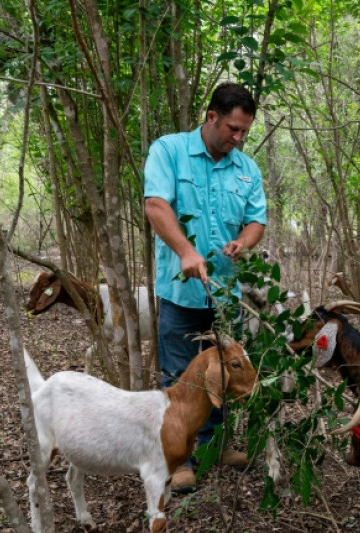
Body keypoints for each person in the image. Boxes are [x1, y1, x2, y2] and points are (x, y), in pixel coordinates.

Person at [144, 82, 266, 492]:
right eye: (233, 128)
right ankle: (179, 458)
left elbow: (256, 221)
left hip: (225, 294)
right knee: (179, 376)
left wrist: (243, 242)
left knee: (224, 376)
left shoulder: (247, 169)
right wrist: (184, 250)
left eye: (244, 131)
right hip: (180, 294)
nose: (238, 138)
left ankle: (215, 446)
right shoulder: (169, 151)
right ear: (211, 117)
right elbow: (155, 205)